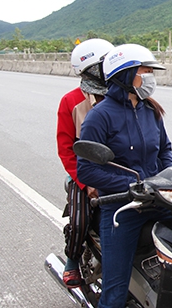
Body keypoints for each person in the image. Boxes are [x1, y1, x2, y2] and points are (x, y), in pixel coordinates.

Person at [77, 43, 172, 308]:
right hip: (123, 207)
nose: (150, 77)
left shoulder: (151, 110)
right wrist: (132, 185)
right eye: (146, 70)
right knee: (114, 292)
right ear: (126, 73)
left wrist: (167, 180)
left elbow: (164, 150)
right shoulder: (100, 116)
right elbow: (86, 169)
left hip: (157, 198)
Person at [57, 38, 114, 288]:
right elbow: (66, 149)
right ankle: (71, 260)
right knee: (80, 221)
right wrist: (85, 182)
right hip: (84, 173)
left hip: (117, 170)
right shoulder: (70, 102)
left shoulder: (119, 95)